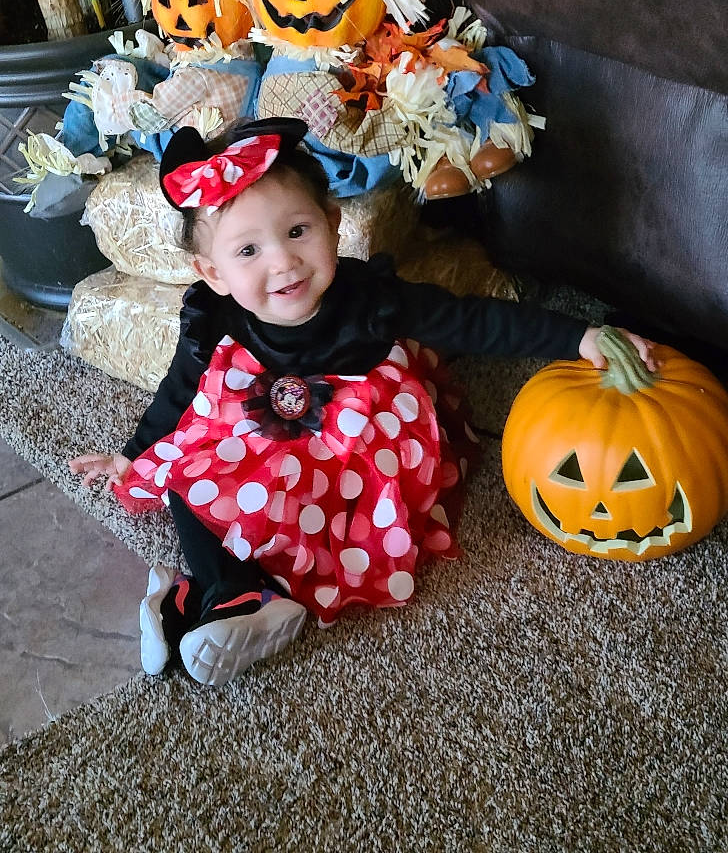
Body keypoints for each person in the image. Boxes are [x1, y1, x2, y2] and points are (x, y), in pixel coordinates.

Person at [69, 117, 658, 687]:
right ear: (212, 273)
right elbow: (180, 389)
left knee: (295, 500)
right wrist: (133, 453)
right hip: (257, 420)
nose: (283, 262)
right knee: (185, 475)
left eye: (298, 232)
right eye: (247, 251)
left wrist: (576, 335)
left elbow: (474, 321)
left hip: (353, 441)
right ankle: (208, 595)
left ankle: (230, 599)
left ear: (331, 223)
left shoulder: (371, 299)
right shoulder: (214, 313)